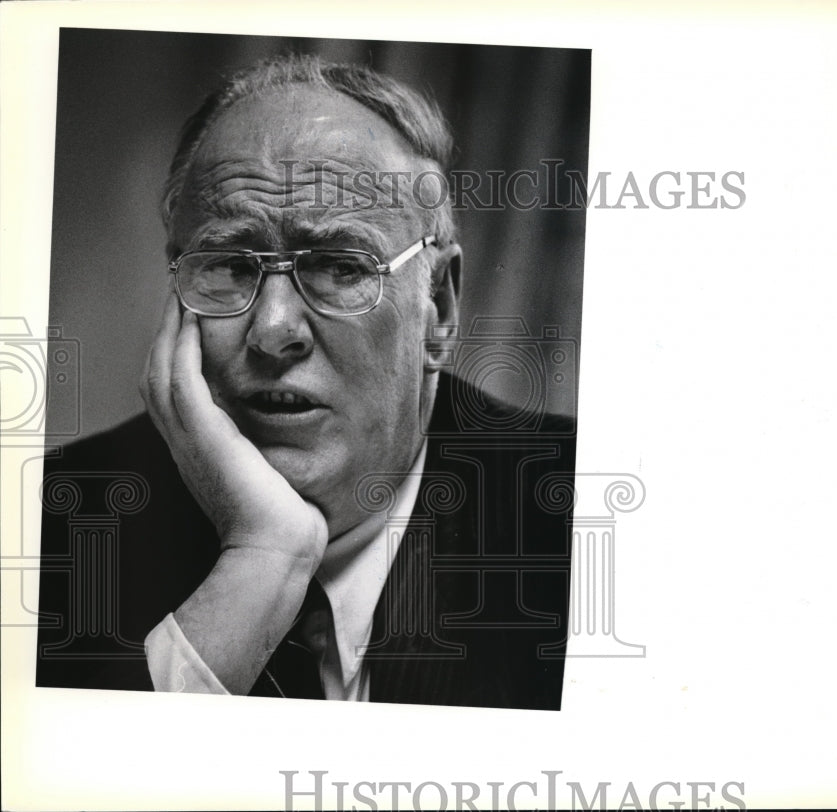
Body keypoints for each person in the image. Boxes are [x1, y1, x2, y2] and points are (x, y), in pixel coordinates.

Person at [35, 55, 576, 709]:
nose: (273, 330)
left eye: (339, 266)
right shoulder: (55, 525)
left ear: (439, 305)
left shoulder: (575, 516)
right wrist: (264, 557)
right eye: (230, 263)